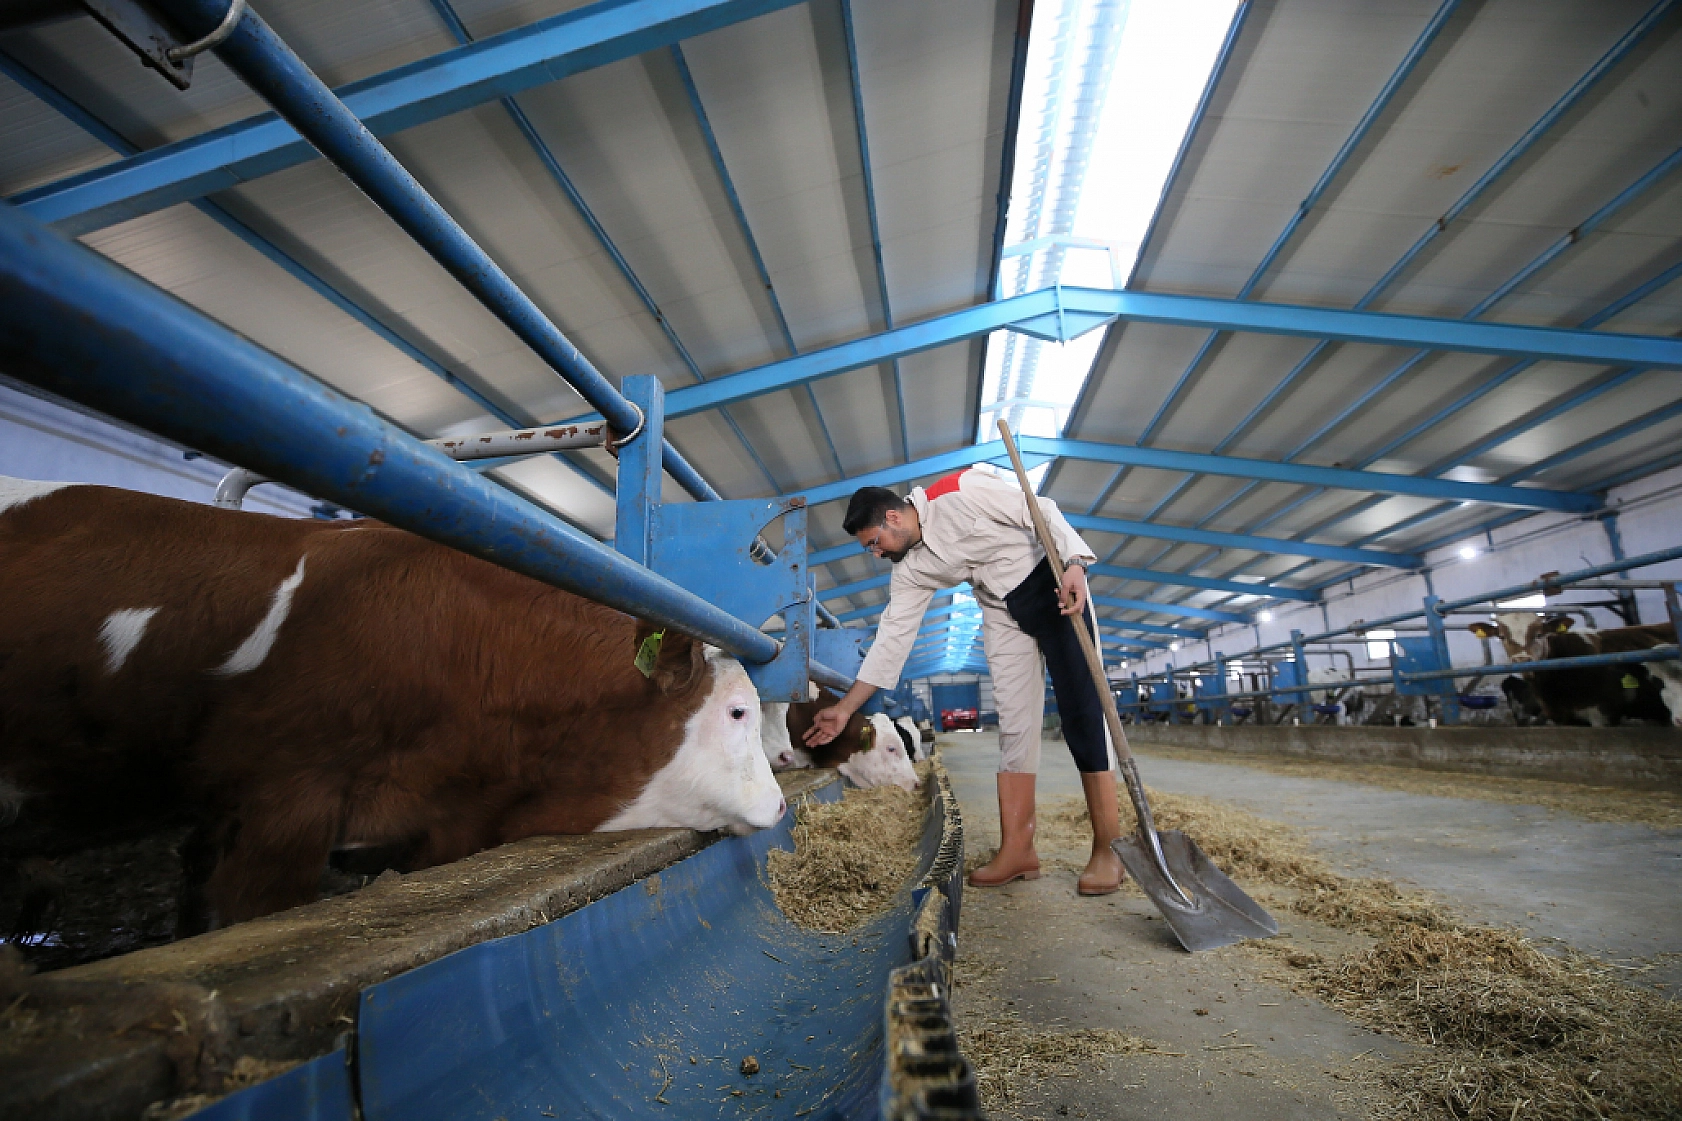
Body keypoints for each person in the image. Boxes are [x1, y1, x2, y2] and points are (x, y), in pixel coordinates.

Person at [803, 467, 1125, 895]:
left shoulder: (959, 491)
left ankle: (1109, 848)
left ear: (894, 518)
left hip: (1054, 588)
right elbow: (891, 643)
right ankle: (1018, 849)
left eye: (874, 543)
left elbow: (1039, 509)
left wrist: (1074, 565)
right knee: (1014, 725)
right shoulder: (909, 569)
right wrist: (845, 709)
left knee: (1083, 712)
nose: (875, 555)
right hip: (1002, 611)